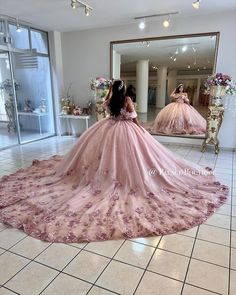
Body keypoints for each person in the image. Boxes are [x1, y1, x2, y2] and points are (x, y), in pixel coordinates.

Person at [0, 80, 228, 243]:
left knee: (100, 158)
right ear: (124, 90)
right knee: (136, 160)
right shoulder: (128, 100)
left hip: (107, 129)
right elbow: (134, 118)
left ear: (111, 89)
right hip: (126, 131)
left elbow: (106, 110)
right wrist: (142, 131)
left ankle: (101, 178)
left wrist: (114, 108)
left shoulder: (109, 99)